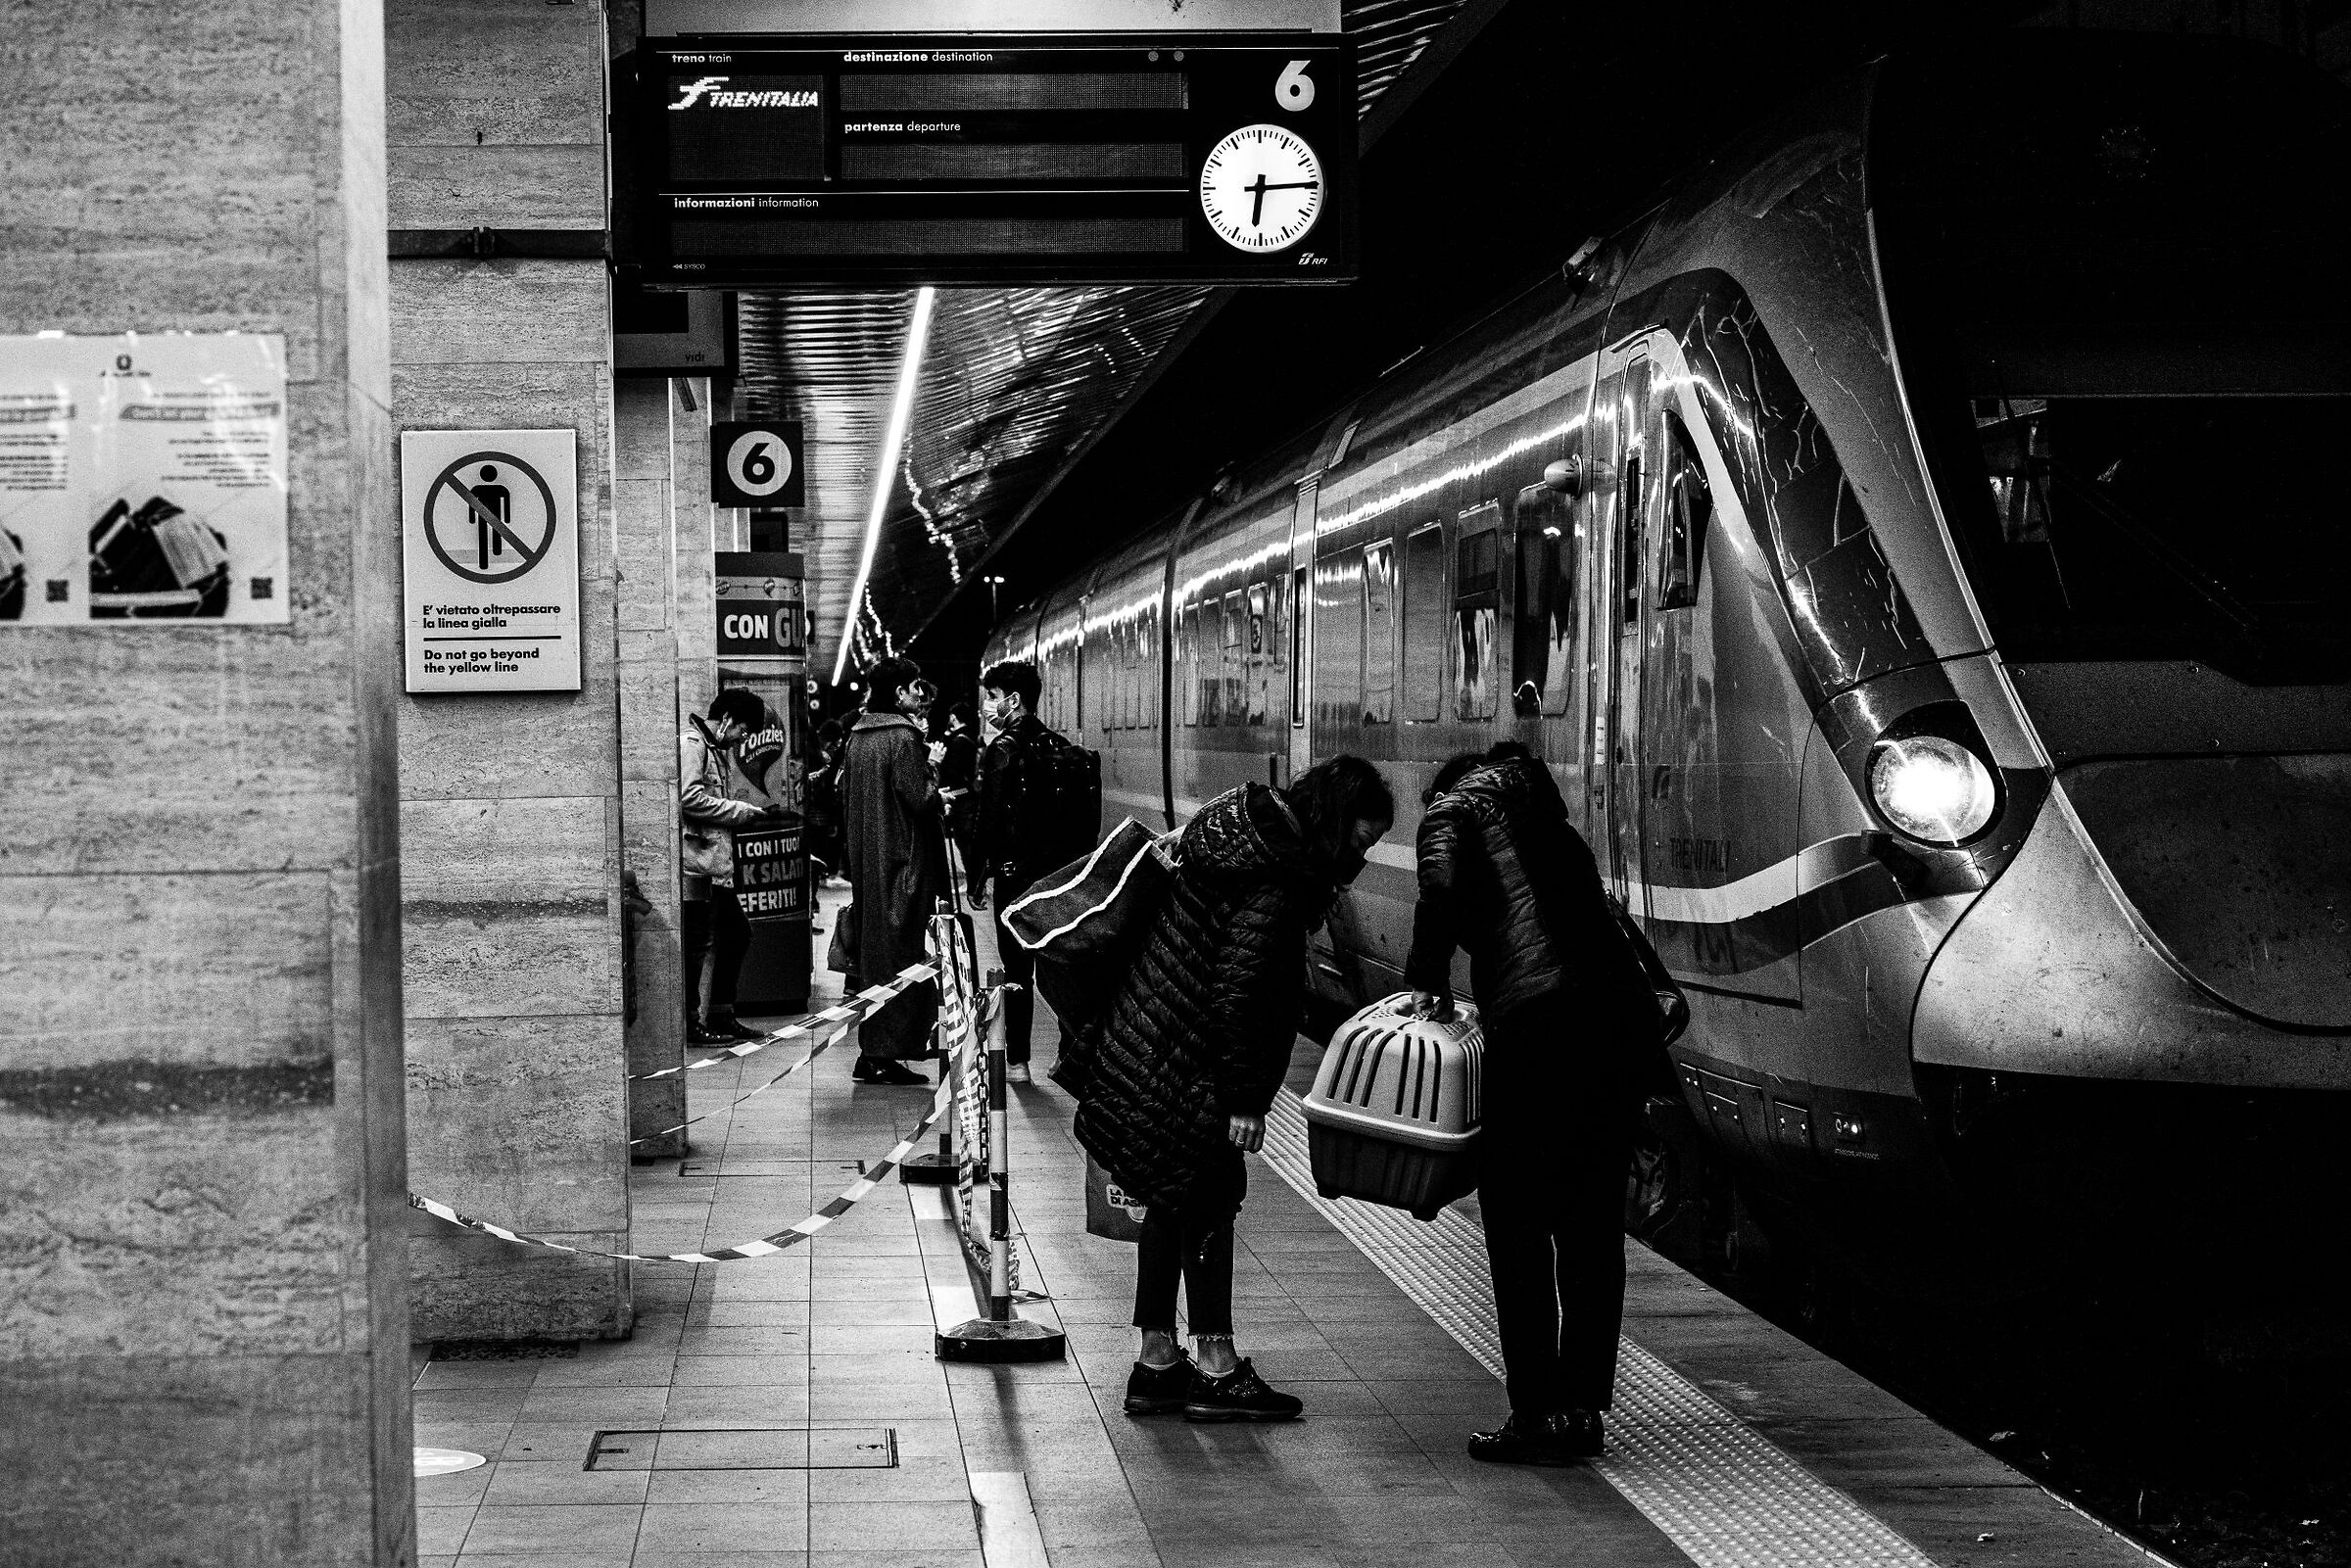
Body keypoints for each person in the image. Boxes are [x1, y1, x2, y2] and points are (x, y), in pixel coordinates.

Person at [1075, 756, 1395, 1423]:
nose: (1358, 861)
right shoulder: (1277, 882)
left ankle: (1158, 1362)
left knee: (1170, 1195)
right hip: (1192, 1060)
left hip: (1155, 1042)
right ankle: (1215, 1365)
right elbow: (1243, 994)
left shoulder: (1239, 836)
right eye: (1359, 844)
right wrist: (1246, 1098)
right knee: (1210, 1197)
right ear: (1335, 828)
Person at [1404, 740, 1658, 1465]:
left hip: (1542, 1025)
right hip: (1615, 1029)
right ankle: (1581, 1409)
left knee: (1515, 1219)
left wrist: (1425, 976)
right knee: (1589, 1226)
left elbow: (1440, 891)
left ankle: (1534, 1412)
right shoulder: (1547, 821)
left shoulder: (1455, 806)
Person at [839, 656, 948, 1085]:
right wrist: (934, 770)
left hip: (870, 864)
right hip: (904, 865)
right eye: (914, 687)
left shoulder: (858, 737)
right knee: (905, 956)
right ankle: (885, 1053)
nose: (919, 694)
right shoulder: (902, 737)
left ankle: (875, 1050)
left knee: (876, 959)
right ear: (900, 692)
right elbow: (919, 799)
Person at [972, 659, 1075, 1084]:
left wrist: (979, 873)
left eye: (992, 699)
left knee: (1017, 971)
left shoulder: (1002, 750)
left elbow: (990, 819)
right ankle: (1069, 1053)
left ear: (1014, 701)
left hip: (1015, 878)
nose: (988, 708)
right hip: (1056, 876)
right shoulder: (1064, 748)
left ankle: (1018, 1062)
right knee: (1061, 964)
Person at [680, 689, 782, 1045]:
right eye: (742, 731)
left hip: (713, 868)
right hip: (695, 867)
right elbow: (688, 797)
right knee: (696, 945)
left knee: (736, 935)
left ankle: (722, 1015)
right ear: (726, 720)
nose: (741, 740)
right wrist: (739, 811)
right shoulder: (693, 745)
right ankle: (691, 1022)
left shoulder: (712, 749)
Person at [935, 700, 984, 906]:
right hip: (968, 795)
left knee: (965, 843)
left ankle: (974, 883)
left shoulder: (957, 741)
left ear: (954, 718)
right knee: (967, 843)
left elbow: (953, 772)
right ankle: (974, 882)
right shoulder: (971, 738)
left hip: (959, 797)